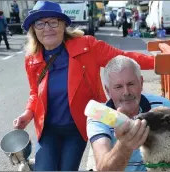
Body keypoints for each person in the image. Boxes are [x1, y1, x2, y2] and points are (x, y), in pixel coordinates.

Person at [12, 1, 154, 171]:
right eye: (40, 23)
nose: (47, 28)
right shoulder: (32, 59)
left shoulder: (87, 46)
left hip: (77, 128)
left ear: (63, 25)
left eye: (53, 22)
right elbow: (34, 92)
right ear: (33, 29)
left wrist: (159, 62)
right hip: (48, 129)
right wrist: (27, 114)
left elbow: (125, 58)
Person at [86, 55, 170, 171]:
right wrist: (125, 145)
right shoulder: (99, 115)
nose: (126, 92)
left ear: (141, 82)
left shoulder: (159, 105)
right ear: (108, 90)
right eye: (118, 87)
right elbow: (103, 169)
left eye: (131, 84)